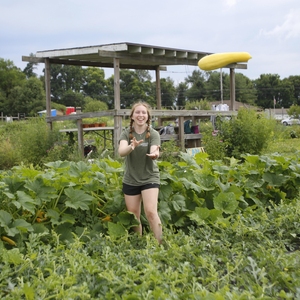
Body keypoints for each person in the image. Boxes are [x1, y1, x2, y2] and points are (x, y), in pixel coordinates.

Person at [118, 101, 162, 244]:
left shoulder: (153, 134)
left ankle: (160, 244)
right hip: (131, 179)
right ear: (132, 116)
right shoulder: (126, 134)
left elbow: (154, 149)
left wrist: (155, 154)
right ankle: (139, 243)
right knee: (134, 215)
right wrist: (132, 146)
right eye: (137, 112)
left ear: (148, 117)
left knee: (150, 212)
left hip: (149, 177)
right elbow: (121, 152)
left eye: (144, 112)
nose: (140, 115)